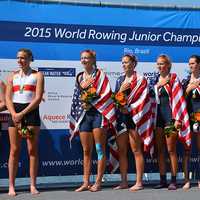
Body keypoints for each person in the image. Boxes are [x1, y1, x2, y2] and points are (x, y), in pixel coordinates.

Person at [69, 49, 116, 192]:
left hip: (98, 115)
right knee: (86, 150)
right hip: (84, 116)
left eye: (87, 58)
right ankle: (85, 182)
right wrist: (84, 102)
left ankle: (98, 182)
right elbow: (77, 97)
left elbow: (107, 95)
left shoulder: (101, 75)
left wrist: (92, 103)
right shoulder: (79, 76)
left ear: (93, 60)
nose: (84, 60)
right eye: (82, 58)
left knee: (99, 149)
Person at [6, 48, 44, 196]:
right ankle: (11, 186)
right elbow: (8, 98)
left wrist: (22, 113)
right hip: (15, 112)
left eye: (22, 58)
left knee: (32, 150)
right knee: (14, 150)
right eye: (18, 58)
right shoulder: (12, 76)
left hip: (31, 112)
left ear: (30, 59)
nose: (19, 61)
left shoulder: (38, 75)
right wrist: (14, 113)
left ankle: (33, 185)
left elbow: (38, 98)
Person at [113, 54, 153, 191]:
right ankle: (124, 181)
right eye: (122, 62)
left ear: (133, 63)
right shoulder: (119, 79)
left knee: (136, 150)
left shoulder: (141, 79)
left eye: (126, 62)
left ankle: (139, 182)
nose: (124, 65)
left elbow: (143, 99)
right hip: (121, 117)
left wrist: (129, 108)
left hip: (135, 117)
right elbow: (115, 99)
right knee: (122, 151)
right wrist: (121, 94)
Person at [152, 54, 191, 190]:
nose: (160, 66)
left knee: (171, 149)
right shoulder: (156, 80)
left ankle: (173, 180)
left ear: (168, 65)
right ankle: (163, 180)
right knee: (160, 150)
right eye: (158, 64)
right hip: (158, 120)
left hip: (170, 120)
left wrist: (177, 119)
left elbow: (179, 101)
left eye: (162, 63)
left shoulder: (173, 78)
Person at [182, 55, 200, 189]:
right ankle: (186, 180)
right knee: (187, 150)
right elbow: (179, 101)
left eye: (193, 63)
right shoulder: (185, 80)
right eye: (189, 63)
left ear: (199, 64)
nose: (191, 66)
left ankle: (199, 179)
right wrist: (187, 90)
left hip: (199, 117)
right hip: (188, 118)